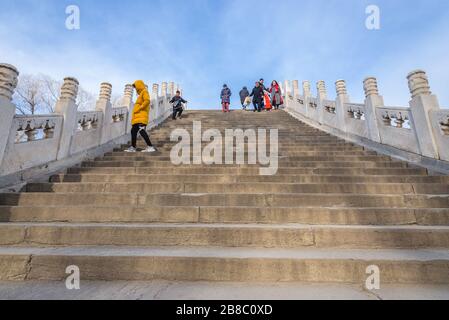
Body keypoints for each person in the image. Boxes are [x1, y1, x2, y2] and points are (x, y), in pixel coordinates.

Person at [125, 80, 157, 153]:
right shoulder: (140, 95)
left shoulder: (144, 92)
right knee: (133, 131)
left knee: (142, 130)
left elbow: (147, 101)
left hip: (141, 117)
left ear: (139, 85)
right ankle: (133, 147)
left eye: (136, 86)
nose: (135, 88)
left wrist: (140, 108)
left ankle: (150, 146)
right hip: (137, 118)